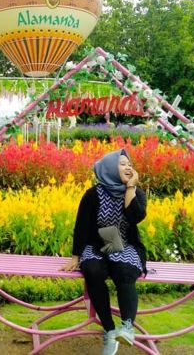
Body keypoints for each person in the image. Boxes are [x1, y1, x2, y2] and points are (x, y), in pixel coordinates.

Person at [60, 148, 147, 355]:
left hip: (125, 243)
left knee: (125, 271)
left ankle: (127, 328)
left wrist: (130, 188)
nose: (128, 167)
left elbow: (135, 217)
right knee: (92, 270)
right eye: (122, 163)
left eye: (129, 164)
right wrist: (75, 257)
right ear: (109, 168)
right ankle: (109, 330)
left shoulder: (137, 191)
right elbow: (81, 226)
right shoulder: (93, 194)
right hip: (99, 243)